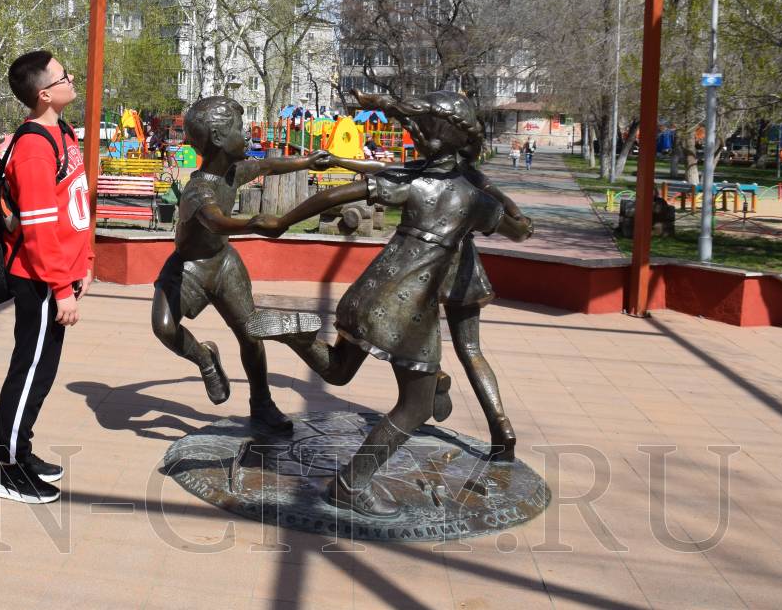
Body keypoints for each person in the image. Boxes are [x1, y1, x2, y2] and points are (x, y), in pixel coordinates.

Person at [245, 91, 534, 516]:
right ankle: (351, 485)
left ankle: (301, 336)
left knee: (339, 370)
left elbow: (338, 195)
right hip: (409, 309)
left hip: (369, 291)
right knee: (415, 406)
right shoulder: (473, 198)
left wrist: (283, 221)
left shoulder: (410, 182)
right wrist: (519, 220)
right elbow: (518, 231)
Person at [150, 95, 333, 432]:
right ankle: (205, 358)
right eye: (240, 128)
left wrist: (308, 161)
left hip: (223, 264)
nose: (247, 134)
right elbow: (215, 221)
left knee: (250, 333)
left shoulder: (233, 173)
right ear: (219, 138)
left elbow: (268, 166)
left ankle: (262, 404)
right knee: (164, 327)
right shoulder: (197, 190)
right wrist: (252, 224)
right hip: (189, 268)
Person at [0, 50, 93, 505]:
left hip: (59, 273)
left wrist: (85, 261)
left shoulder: (62, 132)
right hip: (39, 278)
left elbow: (74, 205)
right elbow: (39, 228)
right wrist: (61, 288)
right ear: (44, 94)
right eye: (64, 76)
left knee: (41, 370)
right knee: (30, 371)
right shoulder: (33, 146)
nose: (72, 80)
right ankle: (5, 468)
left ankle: (21, 452)